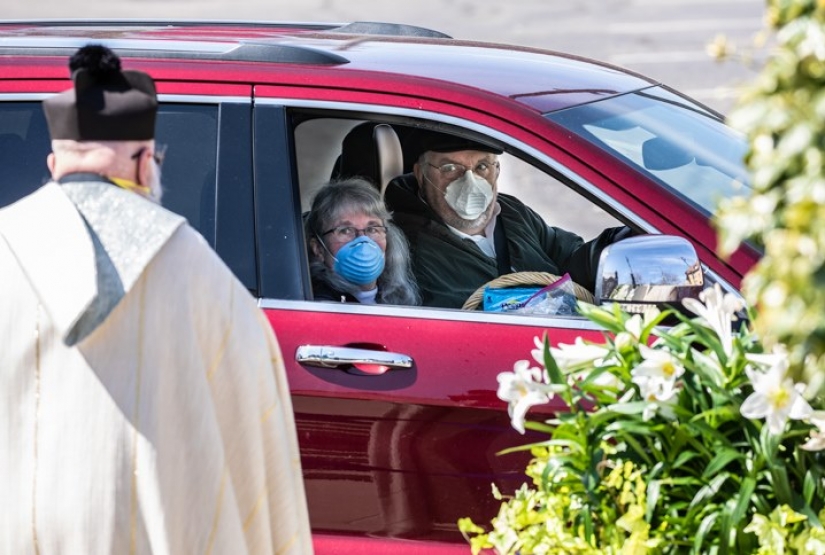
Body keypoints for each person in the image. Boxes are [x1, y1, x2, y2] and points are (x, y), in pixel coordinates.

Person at [0, 45, 312, 554]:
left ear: (55, 162)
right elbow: (253, 428)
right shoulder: (192, 266)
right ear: (146, 164)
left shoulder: (3, 245)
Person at [384, 130, 633, 308]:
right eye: (451, 168)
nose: (469, 182)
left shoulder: (512, 213)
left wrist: (625, 240)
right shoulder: (405, 244)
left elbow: (571, 258)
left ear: (497, 171)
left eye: (482, 167)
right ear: (420, 174)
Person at [305, 178, 420, 305]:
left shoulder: (398, 297)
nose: (363, 240)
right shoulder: (318, 306)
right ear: (318, 249)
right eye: (345, 230)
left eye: (372, 229)